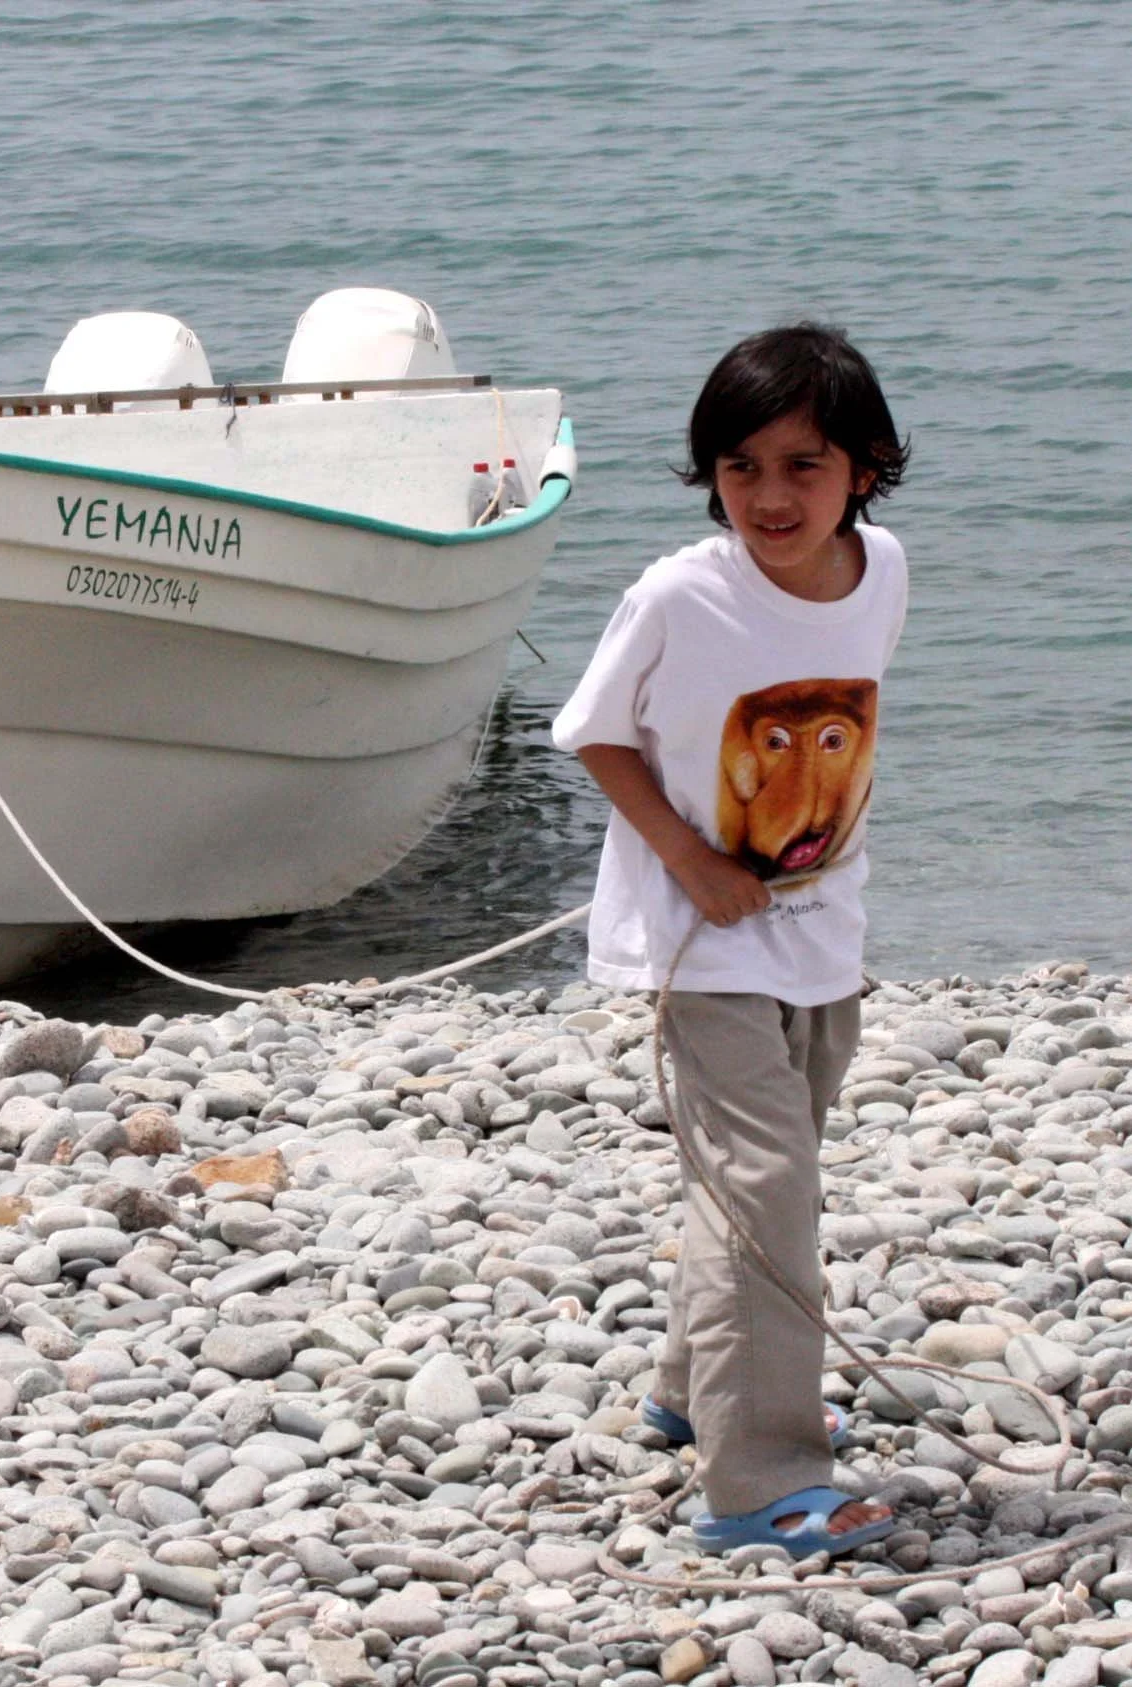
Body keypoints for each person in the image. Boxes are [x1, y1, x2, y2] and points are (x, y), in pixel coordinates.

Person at [551, 322, 910, 1557]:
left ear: (864, 468)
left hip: (819, 931)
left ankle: (691, 1387)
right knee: (765, 1181)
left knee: (760, 1175)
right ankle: (760, 1477)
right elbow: (595, 733)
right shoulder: (680, 595)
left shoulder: (882, 570)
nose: (769, 496)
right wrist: (691, 861)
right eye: (740, 466)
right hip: (699, 942)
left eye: (803, 466)